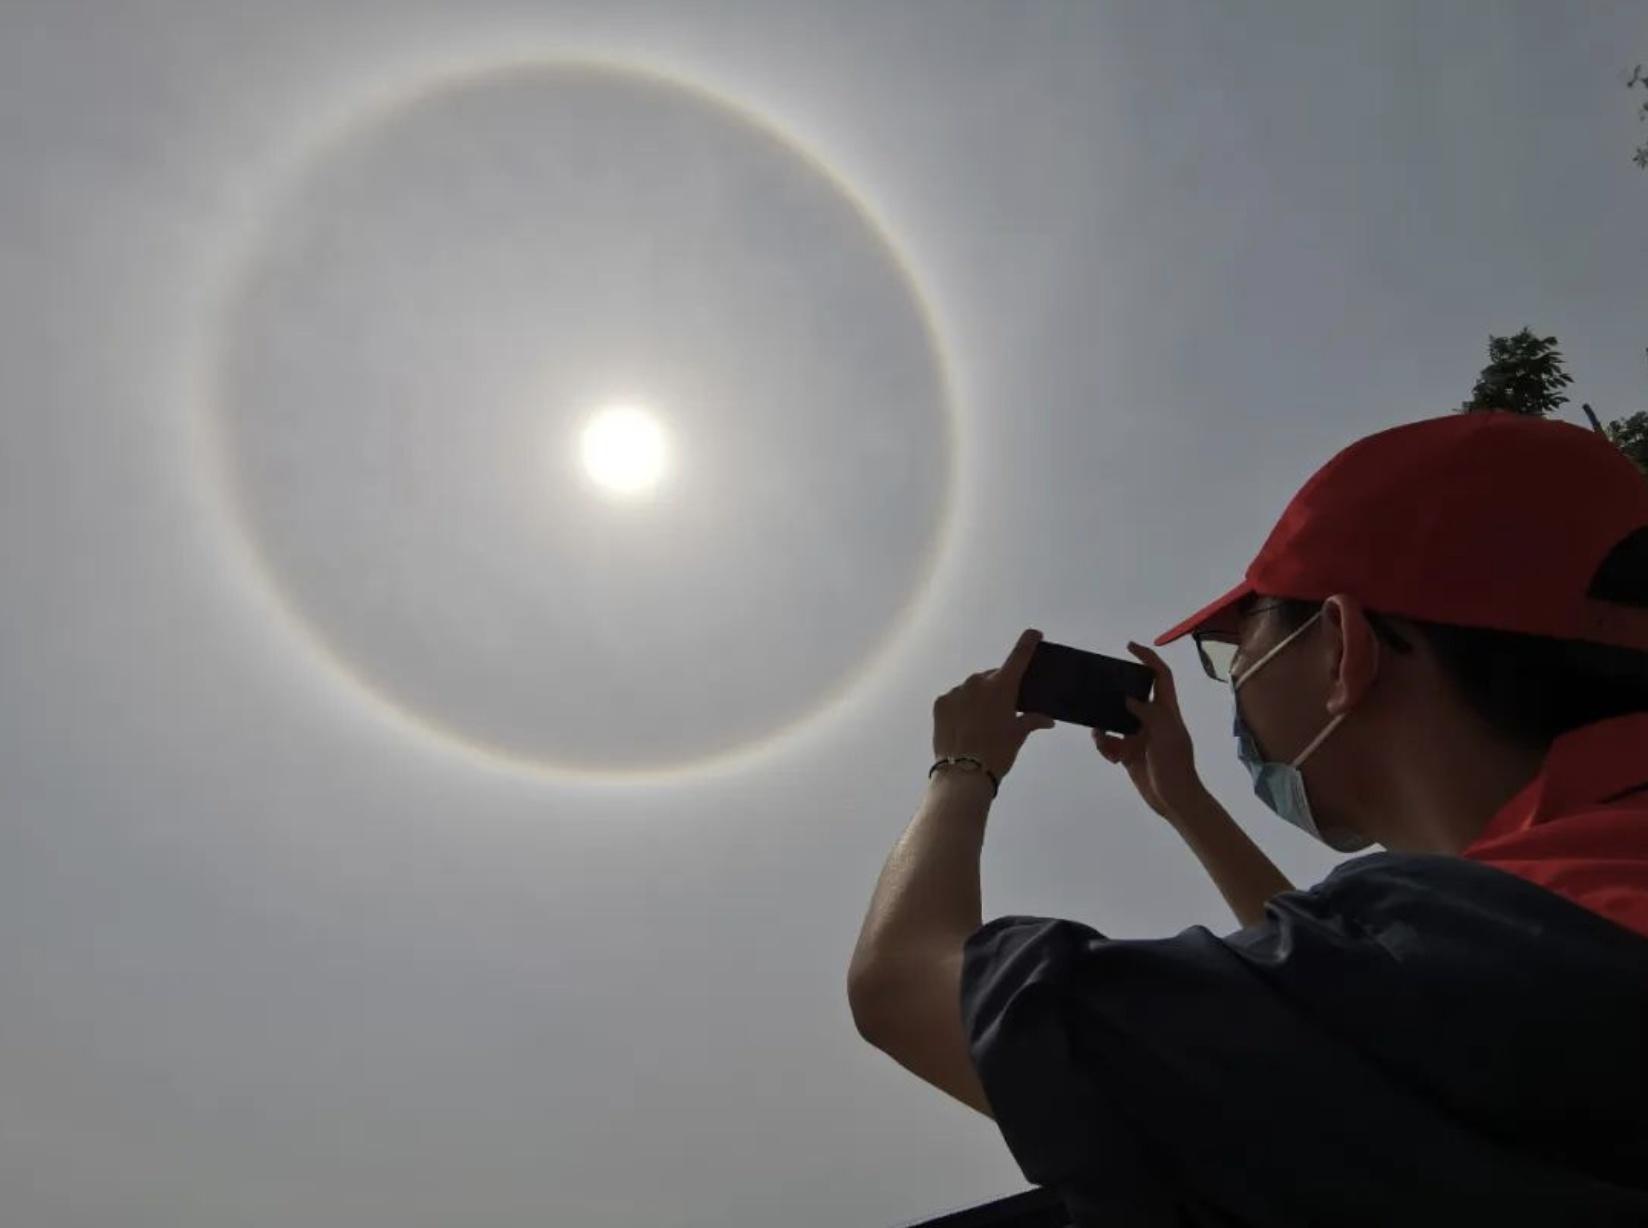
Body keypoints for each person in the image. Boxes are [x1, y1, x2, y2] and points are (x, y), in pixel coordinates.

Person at [847, 412, 1648, 1226]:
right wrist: (1185, 803)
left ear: (1342, 646)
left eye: (1236, 648)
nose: (1233, 688)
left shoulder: (1466, 959)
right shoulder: (1558, 915)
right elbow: (1339, 1015)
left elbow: (903, 987)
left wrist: (963, 764)